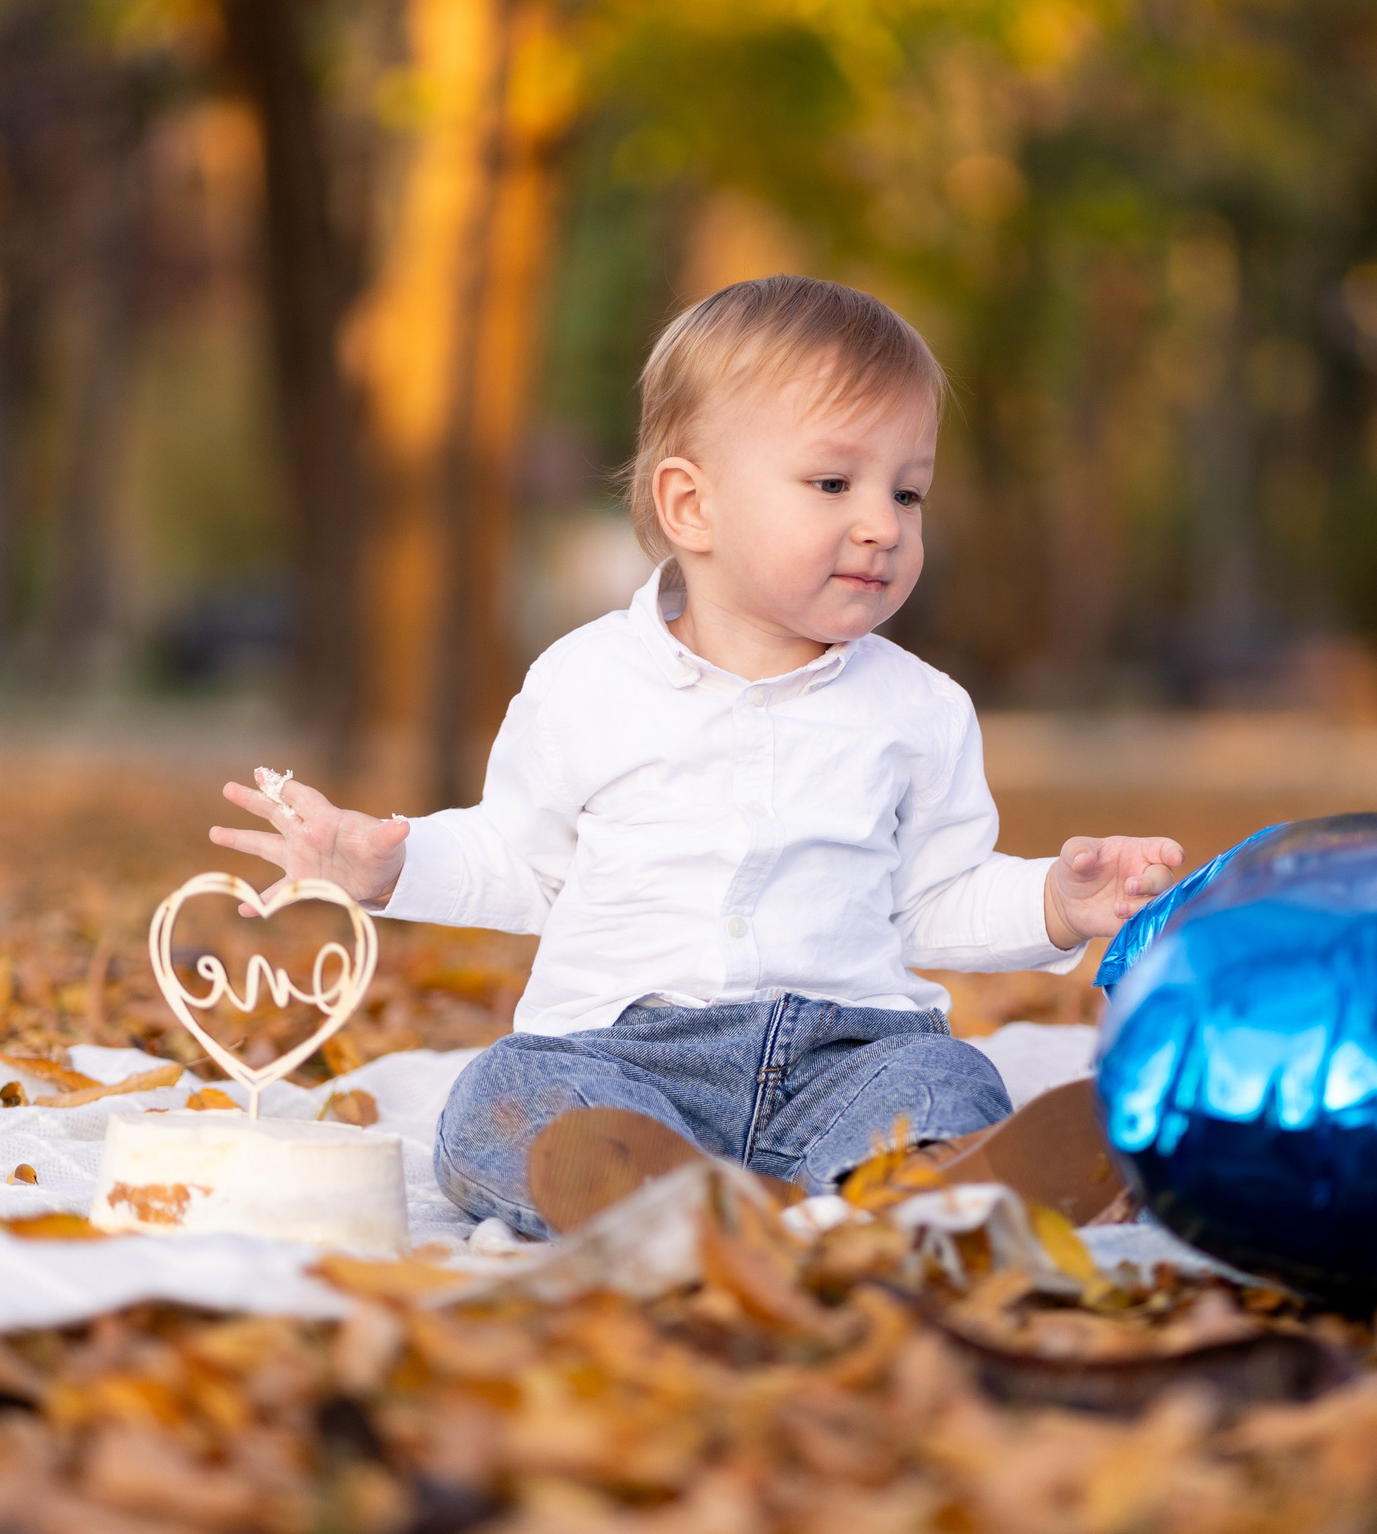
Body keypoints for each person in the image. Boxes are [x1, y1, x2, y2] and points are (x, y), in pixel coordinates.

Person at [212, 275, 1183, 1239]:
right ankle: (658, 1194)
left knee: (945, 1078)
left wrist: (1056, 901)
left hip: (844, 1056)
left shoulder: (920, 710)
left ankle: (928, 1183)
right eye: (833, 483)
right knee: (503, 1097)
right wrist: (387, 864)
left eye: (908, 490)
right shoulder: (586, 681)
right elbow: (521, 861)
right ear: (692, 506)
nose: (883, 523)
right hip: (626, 1060)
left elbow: (929, 900)